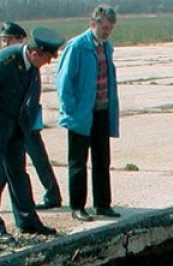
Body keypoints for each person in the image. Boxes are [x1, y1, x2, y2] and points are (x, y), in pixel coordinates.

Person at [0, 27, 65, 243]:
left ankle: (27, 220)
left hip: (15, 128)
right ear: (35, 53)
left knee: (19, 175)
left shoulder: (31, 66)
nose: (49, 63)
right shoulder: (4, 61)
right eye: (47, 58)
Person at [56, 5, 121, 222]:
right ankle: (78, 206)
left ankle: (103, 204)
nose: (107, 31)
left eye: (110, 28)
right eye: (104, 27)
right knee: (78, 162)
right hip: (81, 115)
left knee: (102, 160)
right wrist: (73, 110)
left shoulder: (106, 47)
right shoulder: (77, 47)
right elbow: (64, 82)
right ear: (92, 24)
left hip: (102, 111)